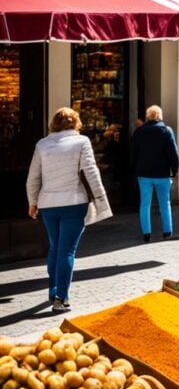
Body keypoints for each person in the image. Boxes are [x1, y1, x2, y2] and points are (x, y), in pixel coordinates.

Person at [26, 108, 108, 313]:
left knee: (55, 248)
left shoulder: (42, 144)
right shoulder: (81, 142)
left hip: (47, 204)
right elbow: (91, 171)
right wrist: (100, 199)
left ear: (53, 123)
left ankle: (54, 290)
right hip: (73, 202)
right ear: (76, 123)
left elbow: (33, 177)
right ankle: (61, 298)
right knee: (66, 251)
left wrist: (32, 202)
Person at [129, 105, 179, 242]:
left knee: (145, 204)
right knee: (165, 203)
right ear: (160, 116)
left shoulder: (139, 132)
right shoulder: (166, 131)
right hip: (162, 173)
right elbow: (173, 154)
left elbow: (132, 152)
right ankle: (167, 231)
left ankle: (146, 233)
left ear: (147, 116)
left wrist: (134, 169)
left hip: (144, 173)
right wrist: (174, 170)